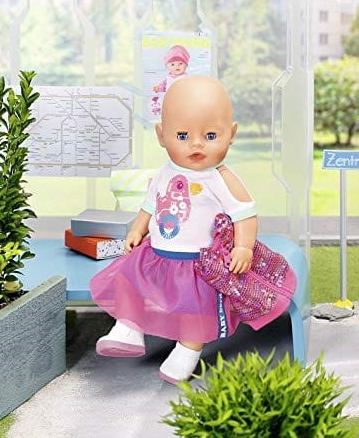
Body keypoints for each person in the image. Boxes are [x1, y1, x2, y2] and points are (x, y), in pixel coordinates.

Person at [90, 75, 258, 384]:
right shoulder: (165, 172)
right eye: (182, 135)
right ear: (161, 135)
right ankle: (129, 328)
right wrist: (138, 229)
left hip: (196, 262)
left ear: (231, 134)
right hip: (157, 254)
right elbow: (150, 204)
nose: (196, 144)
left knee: (194, 310)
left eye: (210, 135)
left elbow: (245, 213)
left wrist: (243, 246)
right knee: (128, 277)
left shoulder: (219, 178)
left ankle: (186, 351)